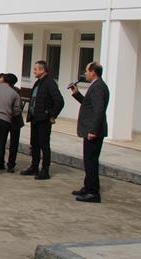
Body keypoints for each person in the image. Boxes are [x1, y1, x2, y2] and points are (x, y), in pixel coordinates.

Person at [69, 62, 109, 203]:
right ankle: (88, 187)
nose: (85, 73)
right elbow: (89, 105)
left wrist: (93, 130)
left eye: (86, 71)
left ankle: (93, 193)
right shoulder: (96, 85)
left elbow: (99, 110)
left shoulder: (98, 87)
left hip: (94, 131)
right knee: (89, 160)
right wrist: (76, 94)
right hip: (92, 130)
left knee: (91, 161)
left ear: (93, 72)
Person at [21, 60, 64, 180]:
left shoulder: (50, 83)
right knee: (34, 144)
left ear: (42, 70)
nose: (34, 71)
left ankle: (45, 170)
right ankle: (34, 167)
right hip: (35, 118)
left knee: (44, 145)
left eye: (36, 69)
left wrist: (51, 115)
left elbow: (59, 101)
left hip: (43, 119)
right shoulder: (38, 82)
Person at [3, 73, 24, 172]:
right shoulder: (17, 91)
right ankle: (10, 164)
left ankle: (2, 162)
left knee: (2, 142)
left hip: (9, 119)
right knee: (13, 144)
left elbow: (18, 107)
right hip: (15, 120)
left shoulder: (8, 91)